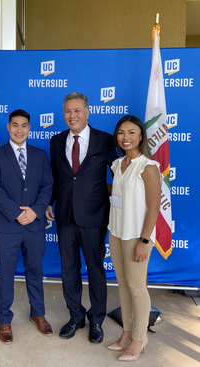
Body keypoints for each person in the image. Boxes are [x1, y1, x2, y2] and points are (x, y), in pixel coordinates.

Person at [45, 92, 118, 343]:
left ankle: (96, 319)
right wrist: (48, 203)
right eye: (67, 111)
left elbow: (120, 178)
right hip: (65, 217)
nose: (72, 115)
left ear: (88, 112)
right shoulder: (56, 142)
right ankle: (76, 316)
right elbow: (55, 178)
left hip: (94, 217)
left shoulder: (106, 141)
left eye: (77, 110)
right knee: (69, 269)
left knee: (96, 270)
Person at [0, 109, 53, 344]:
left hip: (34, 225)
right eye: (15, 125)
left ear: (29, 128)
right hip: (7, 226)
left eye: (24, 125)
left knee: (35, 271)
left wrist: (35, 210)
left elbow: (47, 186)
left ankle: (38, 313)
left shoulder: (40, 155)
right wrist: (17, 213)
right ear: (8, 127)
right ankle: (4, 318)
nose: (19, 130)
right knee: (5, 274)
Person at [107, 115, 161, 361]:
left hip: (136, 236)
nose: (125, 137)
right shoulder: (118, 164)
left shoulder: (147, 166)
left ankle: (140, 339)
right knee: (122, 283)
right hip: (116, 232)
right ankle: (126, 332)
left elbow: (153, 207)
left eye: (131, 132)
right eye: (121, 132)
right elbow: (118, 194)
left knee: (137, 287)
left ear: (141, 136)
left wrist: (144, 241)